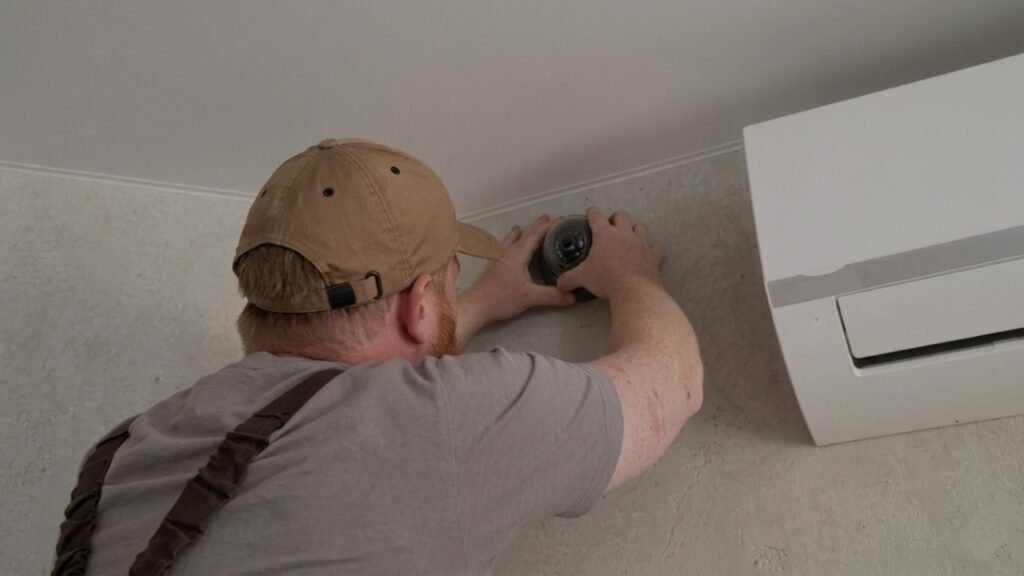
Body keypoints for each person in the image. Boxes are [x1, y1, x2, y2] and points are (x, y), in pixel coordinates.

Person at [53, 139, 703, 576]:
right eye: (447, 283)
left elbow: (345, 392)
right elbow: (673, 386)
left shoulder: (125, 454)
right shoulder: (440, 426)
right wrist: (630, 273)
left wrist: (475, 303)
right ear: (420, 304)